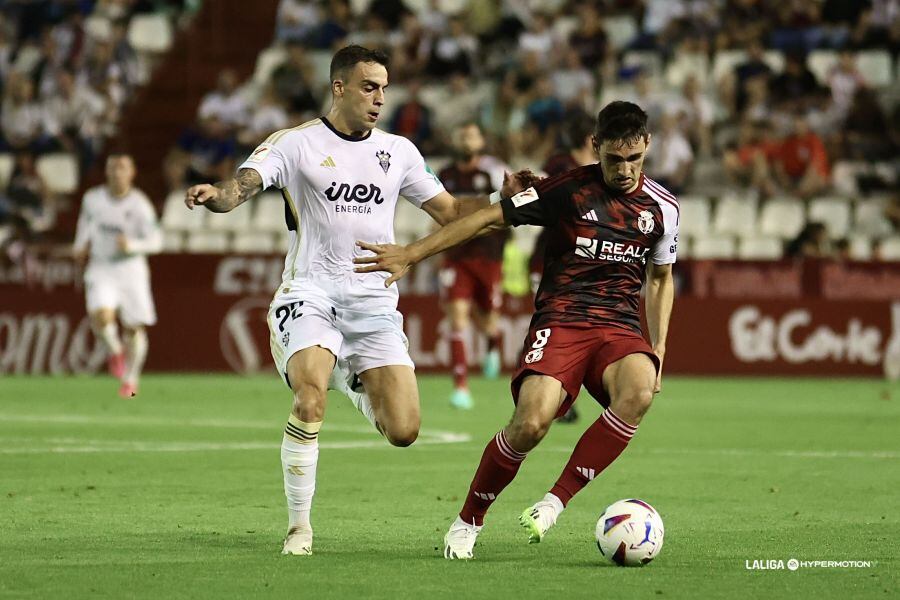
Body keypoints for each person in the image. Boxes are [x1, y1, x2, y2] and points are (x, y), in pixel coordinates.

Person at [183, 45, 522, 557]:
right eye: (369, 86)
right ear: (338, 87)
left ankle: (348, 375)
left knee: (404, 431)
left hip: (373, 304)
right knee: (308, 398)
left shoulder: (399, 152)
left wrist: (502, 201)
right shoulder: (295, 144)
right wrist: (219, 195)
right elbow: (244, 185)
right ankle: (299, 528)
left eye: (384, 88)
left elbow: (451, 211)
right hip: (310, 293)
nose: (380, 97)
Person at [354, 101, 678, 560]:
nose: (624, 170)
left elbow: (661, 278)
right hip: (563, 320)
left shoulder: (663, 208)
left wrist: (659, 346)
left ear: (647, 145)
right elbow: (486, 218)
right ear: (595, 147)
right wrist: (413, 252)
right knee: (530, 424)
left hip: (619, 327)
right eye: (613, 159)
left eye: (634, 159)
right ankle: (468, 520)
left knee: (641, 391)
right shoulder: (566, 191)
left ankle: (553, 503)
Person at [528, 112, 598, 424]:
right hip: (550, 260)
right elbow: (535, 197)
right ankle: (552, 399)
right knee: (558, 326)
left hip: (585, 263)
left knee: (575, 330)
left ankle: (557, 398)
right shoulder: (560, 165)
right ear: (589, 140)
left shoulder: (600, 170)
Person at [73, 154, 161, 399]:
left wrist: (131, 245)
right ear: (106, 172)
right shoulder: (93, 199)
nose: (116, 172)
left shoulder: (140, 205)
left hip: (131, 270)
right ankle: (115, 351)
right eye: (112, 167)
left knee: (134, 328)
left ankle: (131, 379)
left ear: (131, 173)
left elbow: (156, 241)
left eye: (122, 168)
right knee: (101, 315)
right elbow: (85, 224)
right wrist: (80, 245)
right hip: (102, 267)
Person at [438, 122, 509, 409]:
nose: (467, 139)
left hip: (488, 255)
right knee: (457, 318)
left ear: (481, 141)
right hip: (456, 256)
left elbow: (507, 206)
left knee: (488, 319)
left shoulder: (492, 171)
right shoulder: (445, 174)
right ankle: (461, 387)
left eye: (472, 135)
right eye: (462, 134)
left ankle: (493, 342)